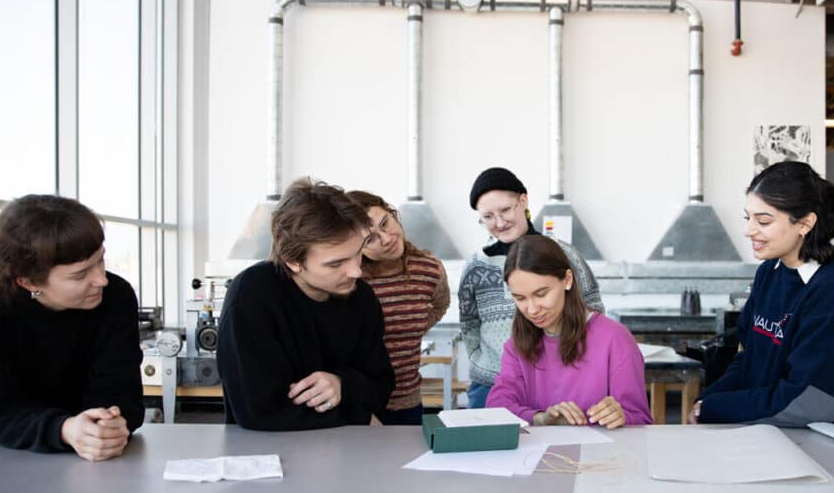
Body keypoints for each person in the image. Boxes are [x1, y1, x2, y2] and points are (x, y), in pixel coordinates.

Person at [0, 195, 144, 460]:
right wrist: (64, 429)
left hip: (64, 426)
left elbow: (122, 393)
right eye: (80, 274)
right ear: (29, 283)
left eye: (100, 260)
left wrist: (107, 424)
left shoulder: (116, 296)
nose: (101, 279)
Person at [689, 160, 834, 426]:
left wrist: (718, 408)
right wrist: (707, 401)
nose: (748, 230)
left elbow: (807, 400)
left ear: (805, 223)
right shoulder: (770, 271)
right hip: (773, 434)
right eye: (748, 217)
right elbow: (748, 358)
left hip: (830, 450)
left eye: (763, 221)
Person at [217, 178, 394, 431]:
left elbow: (382, 385)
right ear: (293, 261)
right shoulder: (252, 295)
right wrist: (357, 415)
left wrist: (341, 383)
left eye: (358, 252)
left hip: (351, 454)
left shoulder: (362, 298)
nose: (357, 271)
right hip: (269, 456)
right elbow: (258, 411)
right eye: (336, 264)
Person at [459, 166, 604, 408]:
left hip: (556, 384)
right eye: (488, 216)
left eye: (505, 210)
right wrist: (481, 362)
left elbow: (593, 312)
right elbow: (469, 323)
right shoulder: (474, 267)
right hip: (490, 387)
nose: (500, 222)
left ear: (523, 201)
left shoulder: (564, 254)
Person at [486, 235, 650, 427]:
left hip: (601, 457)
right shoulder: (517, 345)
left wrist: (621, 416)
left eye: (541, 294)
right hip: (536, 456)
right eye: (520, 298)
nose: (531, 309)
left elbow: (640, 420)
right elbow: (497, 408)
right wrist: (541, 419)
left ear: (567, 280)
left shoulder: (615, 339)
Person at [347, 190, 450, 425]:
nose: (386, 238)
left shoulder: (429, 268)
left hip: (410, 402)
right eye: (370, 239)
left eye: (385, 223)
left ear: (393, 214)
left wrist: (414, 326)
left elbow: (441, 303)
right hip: (361, 405)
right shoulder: (352, 278)